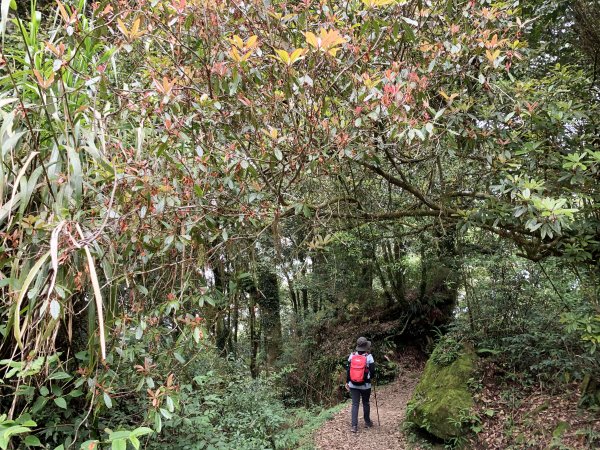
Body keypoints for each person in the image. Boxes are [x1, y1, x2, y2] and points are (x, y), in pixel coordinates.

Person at [345, 336, 375, 433]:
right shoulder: (369, 357)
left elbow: (348, 370)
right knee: (365, 402)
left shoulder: (352, 355)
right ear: (366, 346)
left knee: (355, 404)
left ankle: (354, 426)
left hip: (353, 384)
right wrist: (370, 378)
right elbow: (373, 372)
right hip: (365, 385)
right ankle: (367, 422)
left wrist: (347, 382)